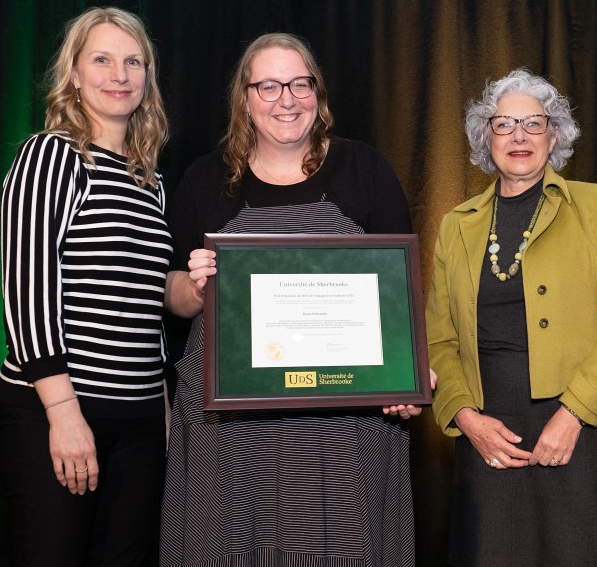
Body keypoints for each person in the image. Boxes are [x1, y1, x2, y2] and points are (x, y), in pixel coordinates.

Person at [159, 32, 420, 565]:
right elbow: (173, 297)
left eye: (300, 84)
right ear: (245, 98)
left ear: (318, 95)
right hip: (232, 425)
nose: (286, 99)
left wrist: (408, 373)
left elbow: (400, 292)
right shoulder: (206, 178)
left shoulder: (363, 169)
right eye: (270, 86)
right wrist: (196, 285)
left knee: (345, 546)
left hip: (346, 424)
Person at [426, 68, 597, 566]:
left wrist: (573, 413)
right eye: (504, 125)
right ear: (486, 137)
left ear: (556, 134)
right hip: (487, 435)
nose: (520, 136)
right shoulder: (455, 225)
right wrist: (468, 420)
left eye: (534, 122)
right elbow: (438, 340)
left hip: (577, 429)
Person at [0, 7, 172, 565]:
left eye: (132, 61)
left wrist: (161, 403)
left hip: (141, 421)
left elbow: (147, 303)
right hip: (61, 411)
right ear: (73, 73)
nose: (119, 74)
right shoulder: (51, 156)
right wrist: (64, 413)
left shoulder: (152, 181)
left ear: (147, 77)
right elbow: (27, 289)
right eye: (101, 59)